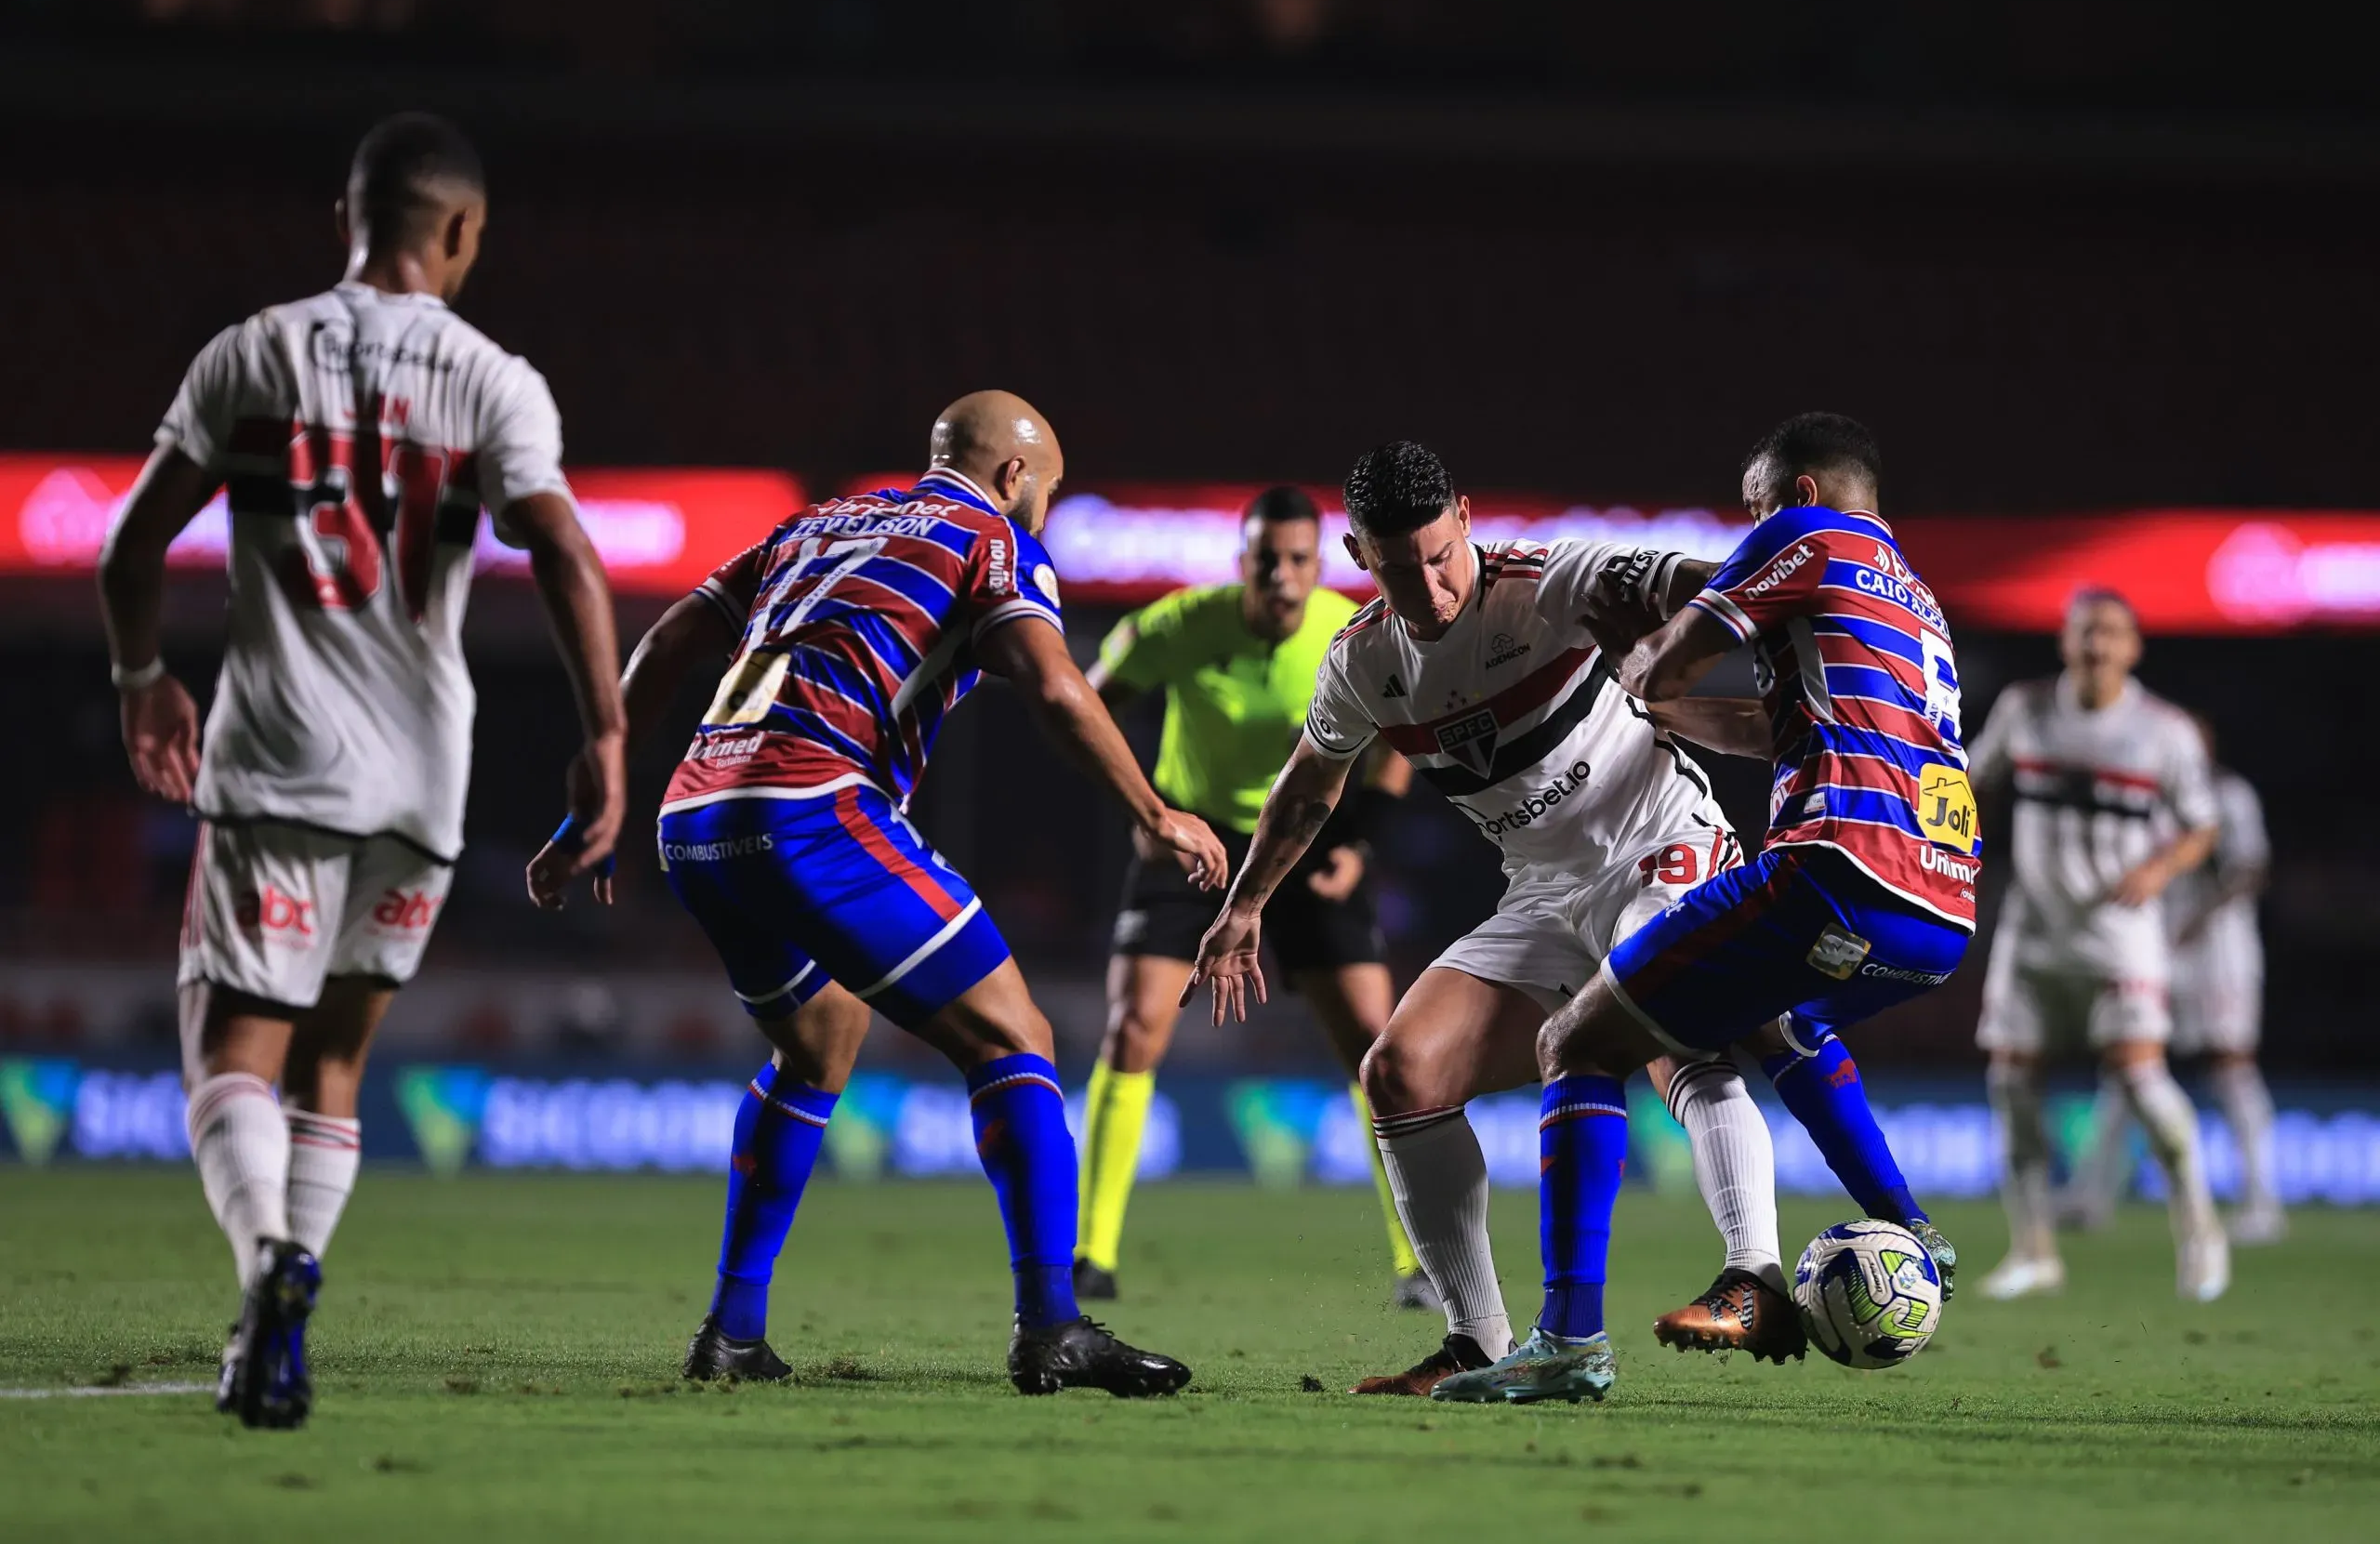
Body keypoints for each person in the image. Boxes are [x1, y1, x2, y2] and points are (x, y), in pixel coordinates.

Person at [1185, 439, 1950, 1397]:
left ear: (1465, 516)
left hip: (1664, 847)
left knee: (1674, 1040)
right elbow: (1308, 788)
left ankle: (1749, 1272)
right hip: (1542, 894)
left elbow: (1703, 579)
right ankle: (1477, 1340)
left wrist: (1732, 611)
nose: (1426, 585)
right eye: (1396, 569)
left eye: (1437, 553)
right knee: (1399, 1072)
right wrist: (1244, 906)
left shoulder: (1550, 582)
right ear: (1356, 557)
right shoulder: (1364, 660)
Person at [530, 391, 1222, 1397]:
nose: (1044, 515)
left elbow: (663, 643)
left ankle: (732, 1330)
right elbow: (1056, 688)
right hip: (812, 804)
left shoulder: (815, 524)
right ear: (1015, 474)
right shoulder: (989, 534)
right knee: (1014, 1038)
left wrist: (590, 802)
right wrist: (1155, 813)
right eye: (1049, 492)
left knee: (817, 1044)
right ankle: (1053, 1326)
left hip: (695, 814)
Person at [99, 113, 627, 1430]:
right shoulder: (496, 378)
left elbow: (129, 548)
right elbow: (564, 552)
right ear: (460, 232)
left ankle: (266, 1268)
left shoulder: (252, 351)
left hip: (279, 755)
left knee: (231, 1048)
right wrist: (608, 733)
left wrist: (136, 678)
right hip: (422, 780)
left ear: (348, 214)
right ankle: (287, 1301)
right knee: (335, 1063)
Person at [1419, 413, 1978, 1405]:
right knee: (1783, 1020)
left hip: (1835, 866)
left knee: (1579, 1040)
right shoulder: (1913, 599)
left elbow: (1675, 655)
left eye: (1754, 507)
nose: (1748, 526)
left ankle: (1567, 1339)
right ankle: (1911, 1231)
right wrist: (1668, 713)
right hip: (1937, 908)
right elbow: (1773, 728)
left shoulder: (1807, 536)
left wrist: (1635, 671)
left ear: (1798, 493)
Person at [1075, 485, 1425, 1307]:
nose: (1281, 574)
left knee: (1379, 1053)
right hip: (1192, 848)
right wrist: (1148, 811)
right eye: (1266, 559)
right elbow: (1084, 707)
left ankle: (1420, 1263)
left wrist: (1360, 844)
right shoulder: (1179, 624)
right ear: (1242, 563)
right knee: (1133, 1027)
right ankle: (1091, 1255)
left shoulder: (1354, 632)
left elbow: (1402, 744)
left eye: (1298, 558)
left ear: (1319, 564)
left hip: (1308, 845)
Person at [1968, 593, 2228, 1300]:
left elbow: (2203, 825)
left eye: (2111, 634)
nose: (2097, 646)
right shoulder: (2025, 710)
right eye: (2086, 632)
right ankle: (2034, 1250)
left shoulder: (2163, 731)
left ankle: (2201, 1232)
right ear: (2065, 641)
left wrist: (2160, 867)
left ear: (2133, 648)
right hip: (2033, 930)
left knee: (2143, 1083)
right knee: (2010, 1085)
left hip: (2121, 935)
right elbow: (1968, 780)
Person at [2066, 717, 2279, 1243]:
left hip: (2219, 953)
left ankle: (2261, 1205)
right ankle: (2090, 1198)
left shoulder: (2231, 795)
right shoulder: (2152, 799)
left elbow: (2251, 869)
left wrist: (2197, 918)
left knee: (2231, 1063)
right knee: (2125, 1066)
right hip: (2157, 948)